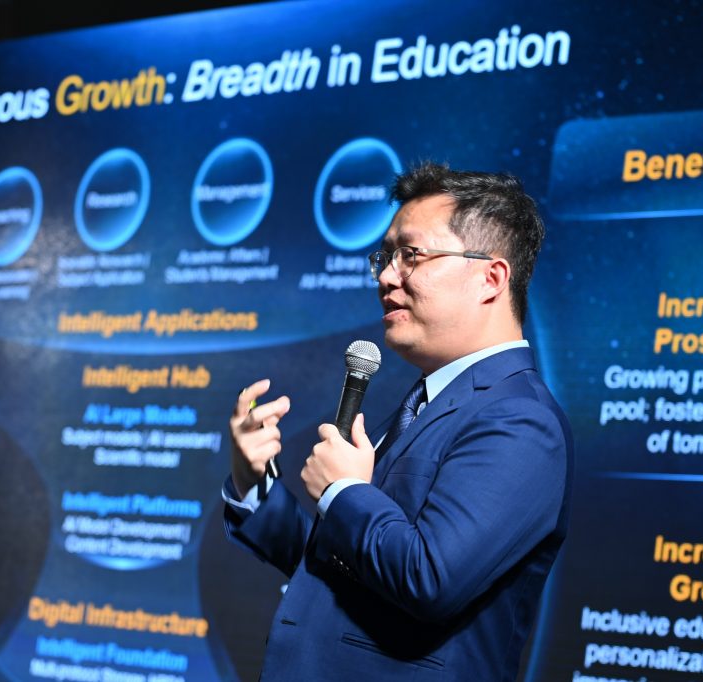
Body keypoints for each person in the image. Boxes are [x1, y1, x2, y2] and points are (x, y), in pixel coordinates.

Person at [223, 162, 573, 681]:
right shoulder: (424, 402)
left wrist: (342, 491)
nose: (387, 276)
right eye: (385, 257)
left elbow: (429, 577)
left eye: (412, 255)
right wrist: (254, 483)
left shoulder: (521, 420)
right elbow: (344, 568)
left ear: (491, 278)